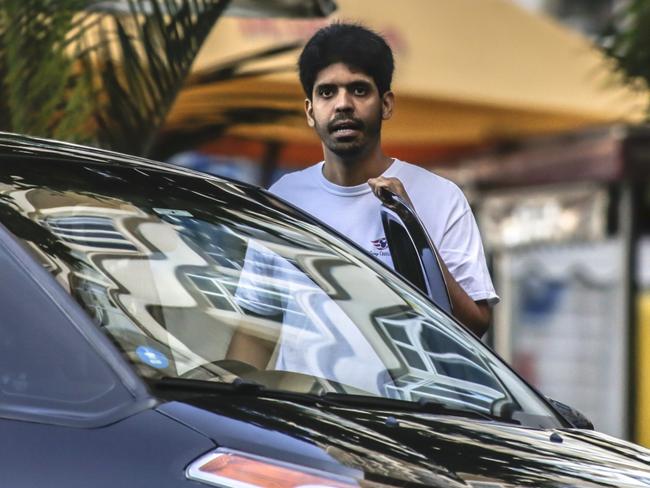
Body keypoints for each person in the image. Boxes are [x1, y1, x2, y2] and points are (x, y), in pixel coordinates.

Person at [267, 22, 498, 337]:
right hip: (301, 388)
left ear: (386, 104)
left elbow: (476, 324)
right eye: (327, 92)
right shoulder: (284, 198)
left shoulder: (440, 197)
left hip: (403, 388)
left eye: (359, 89)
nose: (343, 104)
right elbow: (260, 320)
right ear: (310, 111)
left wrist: (412, 228)